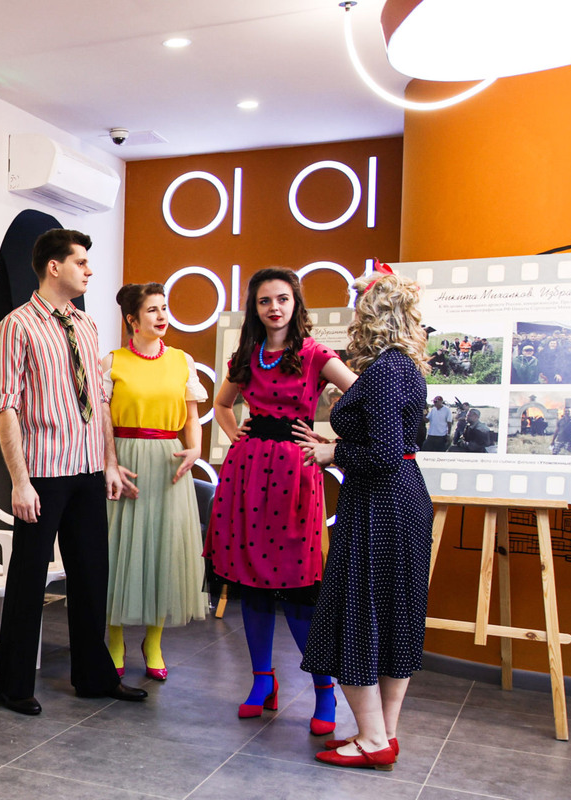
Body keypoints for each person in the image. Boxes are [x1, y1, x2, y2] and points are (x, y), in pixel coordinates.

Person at [0, 228, 146, 715]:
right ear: (53, 266)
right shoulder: (17, 325)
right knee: (28, 579)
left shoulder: (87, 324)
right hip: (43, 471)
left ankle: (95, 677)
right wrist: (20, 482)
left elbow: (99, 399)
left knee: (91, 576)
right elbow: (5, 406)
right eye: (81, 262)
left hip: (87, 469)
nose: (89, 270)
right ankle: (14, 686)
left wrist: (109, 463)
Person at [203, 267, 356, 734]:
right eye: (265, 300)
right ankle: (261, 681)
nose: (274, 307)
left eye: (283, 299)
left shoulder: (313, 353)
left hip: (295, 475)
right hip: (247, 474)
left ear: (296, 303)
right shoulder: (247, 355)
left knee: (299, 588)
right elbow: (222, 404)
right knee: (251, 582)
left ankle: (324, 690)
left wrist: (333, 445)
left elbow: (361, 395)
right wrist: (235, 433)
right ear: (255, 307)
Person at [296, 270, 433, 772]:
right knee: (393, 617)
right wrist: (341, 444)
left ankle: (373, 738)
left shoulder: (384, 371)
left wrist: (332, 452)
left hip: (380, 505)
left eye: (359, 302)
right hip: (401, 501)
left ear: (372, 314)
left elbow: (383, 454)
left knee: (355, 614)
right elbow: (399, 443)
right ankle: (382, 735)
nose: (354, 311)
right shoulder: (405, 367)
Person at [100, 283, 208, 681]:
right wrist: (110, 462)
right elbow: (101, 421)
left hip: (169, 463)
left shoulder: (182, 360)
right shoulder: (113, 361)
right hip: (124, 460)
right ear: (132, 319)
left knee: (164, 551)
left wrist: (195, 450)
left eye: (164, 308)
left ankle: (154, 642)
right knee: (116, 552)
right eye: (152, 310)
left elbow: (192, 416)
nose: (162, 316)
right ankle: (114, 642)